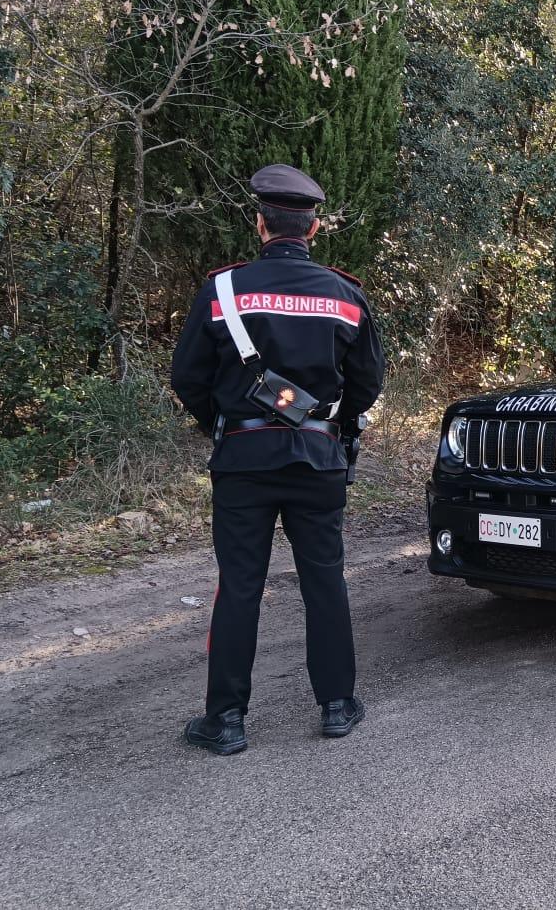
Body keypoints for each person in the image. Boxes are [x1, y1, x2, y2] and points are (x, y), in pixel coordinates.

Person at [170, 164, 384, 755]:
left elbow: (187, 376)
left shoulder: (222, 291)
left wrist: (220, 423)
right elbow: (367, 384)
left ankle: (227, 721)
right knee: (324, 580)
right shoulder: (346, 296)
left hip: (242, 461)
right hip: (320, 459)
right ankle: (337, 706)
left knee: (239, 587)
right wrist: (334, 426)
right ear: (312, 229)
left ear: (261, 223)